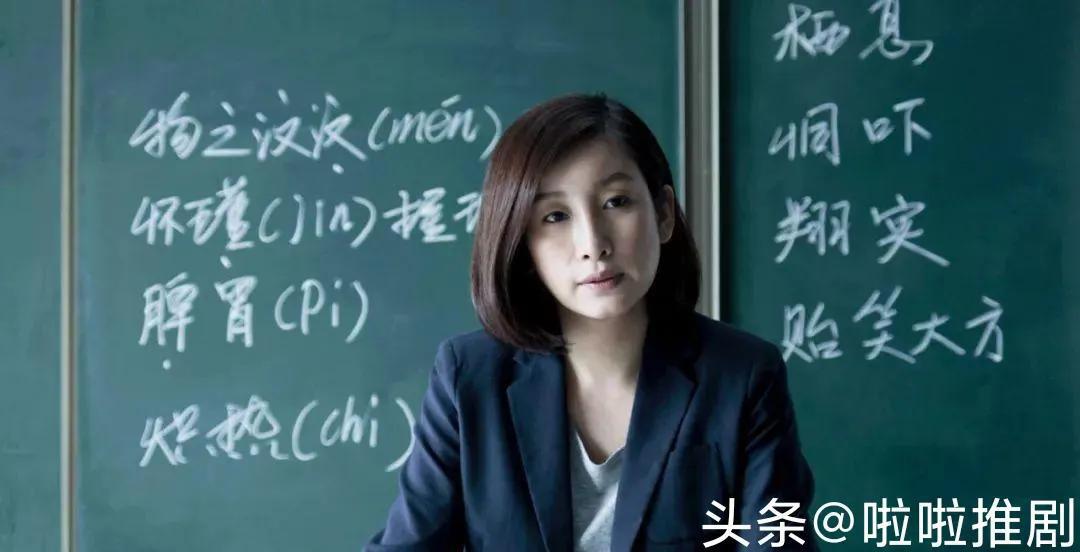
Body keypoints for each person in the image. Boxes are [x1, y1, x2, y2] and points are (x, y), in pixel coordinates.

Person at [365, 93, 818, 552]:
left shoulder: (743, 376)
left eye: (616, 202)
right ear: (523, 244)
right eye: (555, 216)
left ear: (663, 214)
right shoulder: (469, 377)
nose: (592, 244)